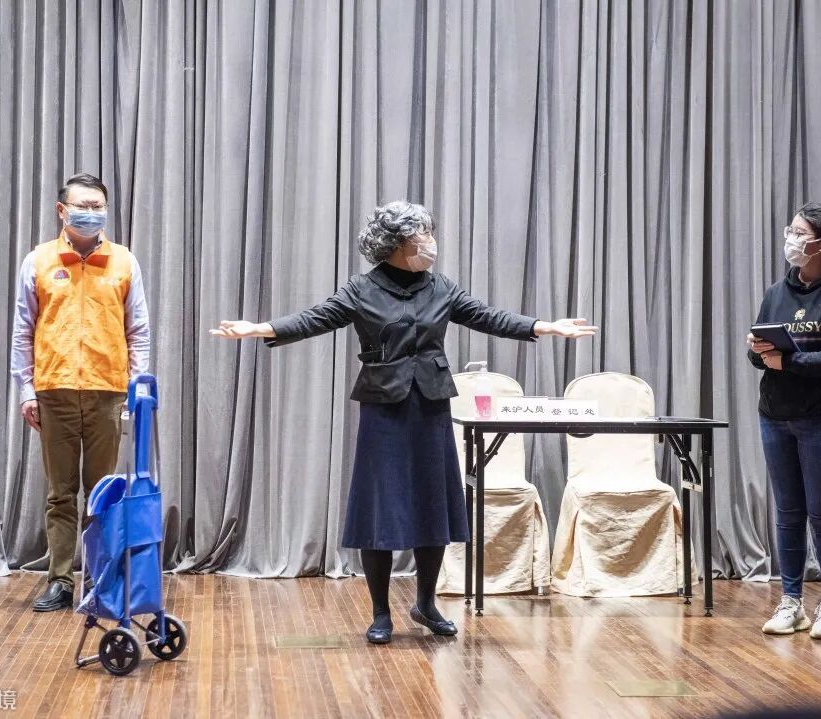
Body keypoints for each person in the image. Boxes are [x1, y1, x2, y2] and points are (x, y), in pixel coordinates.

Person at [212, 201, 596, 644]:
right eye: (420, 236)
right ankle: (380, 613)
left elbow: (487, 315)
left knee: (432, 505)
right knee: (379, 509)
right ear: (396, 245)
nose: (429, 242)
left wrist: (544, 326)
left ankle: (425, 604)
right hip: (384, 408)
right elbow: (315, 318)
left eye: (428, 233)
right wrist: (260, 329)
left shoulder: (440, 287)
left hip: (430, 407)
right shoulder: (362, 289)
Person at [10, 173, 151, 612]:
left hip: (108, 392)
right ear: (62, 210)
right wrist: (26, 389)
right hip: (54, 391)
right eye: (82, 206)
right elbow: (22, 330)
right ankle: (60, 580)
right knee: (60, 493)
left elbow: (138, 330)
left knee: (103, 492)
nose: (91, 213)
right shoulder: (39, 260)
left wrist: (137, 386)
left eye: (97, 206)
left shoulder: (123, 261)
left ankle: (102, 581)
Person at [747, 202, 821, 640]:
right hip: (774, 416)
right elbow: (759, 353)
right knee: (788, 514)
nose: (791, 239)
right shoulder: (777, 292)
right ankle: (791, 602)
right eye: (791, 230)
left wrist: (789, 361)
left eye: (799, 233)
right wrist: (759, 350)